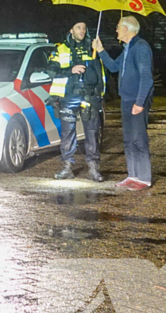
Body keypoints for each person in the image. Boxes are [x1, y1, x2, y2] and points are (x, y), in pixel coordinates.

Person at [93, 15, 154, 191]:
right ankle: (133, 175)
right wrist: (101, 50)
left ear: (127, 29)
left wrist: (140, 102)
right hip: (127, 99)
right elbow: (113, 67)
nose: (116, 29)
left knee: (138, 139)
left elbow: (146, 78)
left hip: (136, 100)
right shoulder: (128, 48)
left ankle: (144, 178)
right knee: (128, 140)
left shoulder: (140, 47)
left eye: (119, 26)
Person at [47, 21, 105, 181]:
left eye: (85, 28)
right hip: (68, 96)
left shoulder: (92, 48)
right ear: (71, 29)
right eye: (79, 27)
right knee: (67, 134)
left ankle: (93, 169)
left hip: (89, 96)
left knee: (92, 133)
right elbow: (51, 71)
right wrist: (70, 70)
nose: (82, 30)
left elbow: (101, 75)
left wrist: (100, 94)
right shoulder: (60, 49)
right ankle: (67, 168)